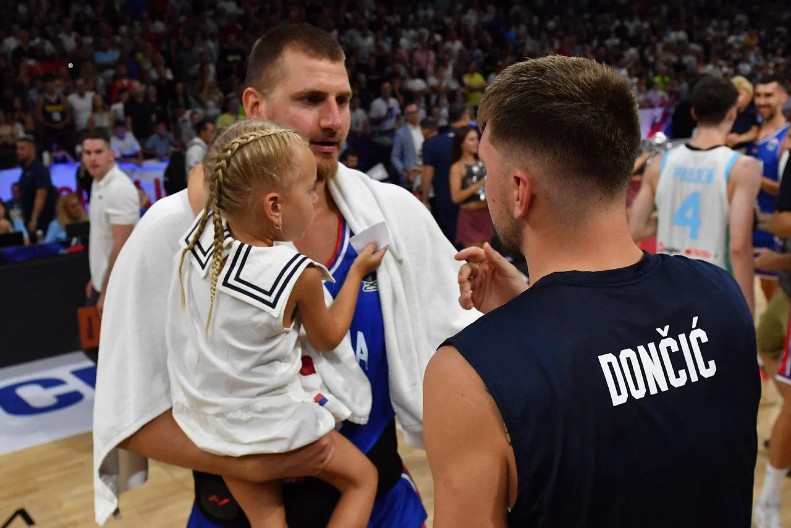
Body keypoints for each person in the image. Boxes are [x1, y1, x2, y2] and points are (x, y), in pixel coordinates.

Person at [93, 23, 478, 528]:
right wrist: (247, 462)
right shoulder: (172, 233)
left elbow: (466, 345)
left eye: (343, 100)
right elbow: (127, 414)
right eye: (311, 99)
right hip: (239, 511)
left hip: (381, 505)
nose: (333, 120)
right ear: (255, 107)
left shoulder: (391, 213)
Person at [424, 56, 759, 527]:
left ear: (519, 190)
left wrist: (522, 332)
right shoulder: (720, 293)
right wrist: (531, 311)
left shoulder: (467, 373)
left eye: (488, 169)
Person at [168, 120, 383, 528]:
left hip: (213, 428)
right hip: (275, 431)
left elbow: (200, 176)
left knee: (269, 520)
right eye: (308, 189)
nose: (316, 199)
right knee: (363, 481)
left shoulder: (203, 233)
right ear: (274, 207)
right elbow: (328, 337)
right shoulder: (297, 273)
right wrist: (356, 272)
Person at [629, 76, 761, 314]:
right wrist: (746, 309)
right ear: (732, 114)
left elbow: (636, 229)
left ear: (694, 113)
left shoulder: (660, 163)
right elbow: (738, 246)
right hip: (715, 288)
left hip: (669, 285)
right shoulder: (742, 167)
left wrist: (667, 218)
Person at [752, 135, 791, 528]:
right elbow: (780, 218)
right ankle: (768, 501)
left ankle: (768, 501)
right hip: (784, 278)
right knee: (766, 340)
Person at [82, 127, 139, 320]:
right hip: (104, 280)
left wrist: (107, 290)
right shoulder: (98, 182)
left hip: (119, 285)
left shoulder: (119, 189)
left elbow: (121, 244)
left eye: (98, 152)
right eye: (88, 153)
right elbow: (102, 236)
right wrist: (96, 277)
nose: (92, 158)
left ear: (111, 154)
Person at [747, 74, 790, 303]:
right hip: (751, 225)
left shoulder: (786, 137)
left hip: (777, 230)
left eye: (768, 95)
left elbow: (785, 189)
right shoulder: (752, 133)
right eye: (758, 95)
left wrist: (753, 177)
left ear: (783, 97)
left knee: (778, 296)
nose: (762, 101)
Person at [421, 102, 471, 244]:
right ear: (465, 117)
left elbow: (427, 175)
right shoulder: (474, 140)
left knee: (450, 243)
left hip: (444, 201)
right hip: (470, 200)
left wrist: (424, 200)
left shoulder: (433, 143)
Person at [449, 125, 493, 248]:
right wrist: (479, 184)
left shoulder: (484, 162)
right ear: (462, 144)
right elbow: (456, 197)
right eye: (471, 139)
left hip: (485, 215)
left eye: (476, 138)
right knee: (476, 257)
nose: (476, 142)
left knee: (487, 256)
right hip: (469, 217)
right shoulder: (457, 167)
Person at [15, 134, 57, 240]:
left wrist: (34, 219)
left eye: (22, 148)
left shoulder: (39, 170)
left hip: (42, 221)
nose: (18, 152)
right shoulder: (25, 170)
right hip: (29, 219)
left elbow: (41, 195)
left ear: (32, 150)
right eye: (17, 149)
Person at [390, 102, 423, 188]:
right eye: (410, 113)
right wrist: (403, 171)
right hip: (412, 173)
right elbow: (394, 156)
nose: (414, 115)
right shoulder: (401, 133)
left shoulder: (424, 129)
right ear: (406, 116)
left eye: (415, 112)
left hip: (426, 170)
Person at [726, 75, 759, 151]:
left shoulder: (751, 112)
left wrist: (738, 139)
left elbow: (755, 131)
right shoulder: (723, 111)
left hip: (744, 149)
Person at [185, 119, 216, 183]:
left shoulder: (204, 147)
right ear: (202, 132)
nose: (213, 135)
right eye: (211, 131)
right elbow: (195, 173)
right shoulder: (195, 149)